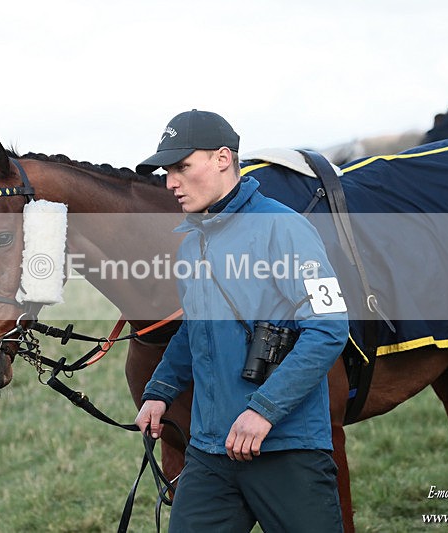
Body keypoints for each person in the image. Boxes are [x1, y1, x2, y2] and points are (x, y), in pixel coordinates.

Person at [134, 110, 349, 532]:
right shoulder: (190, 243)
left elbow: (328, 328)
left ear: (222, 158)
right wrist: (159, 391)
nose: (170, 183)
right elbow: (195, 330)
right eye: (166, 171)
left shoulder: (285, 229)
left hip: (286, 449)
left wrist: (264, 411)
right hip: (211, 453)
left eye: (181, 167)